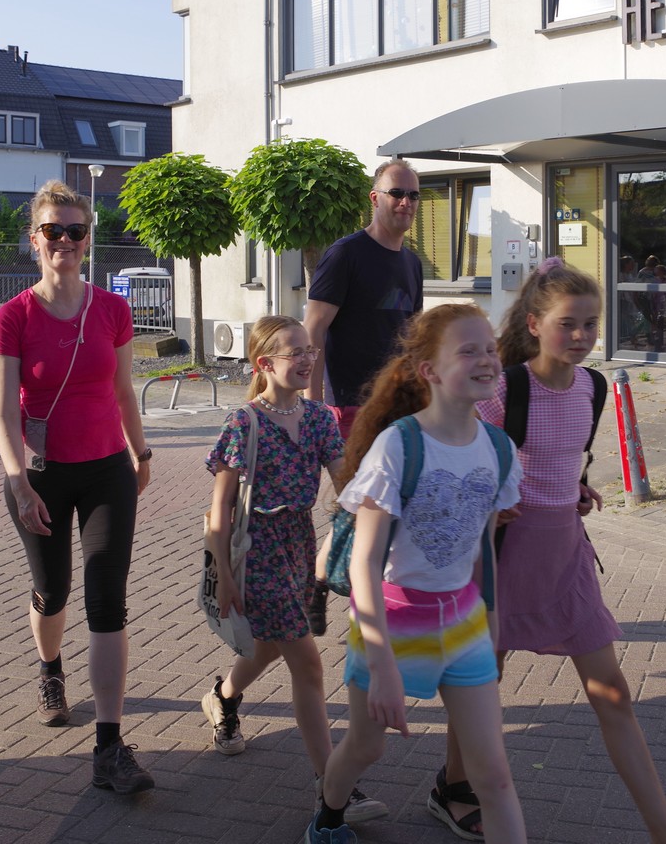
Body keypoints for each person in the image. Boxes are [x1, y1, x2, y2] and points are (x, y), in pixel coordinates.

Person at [436, 259, 666, 844]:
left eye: (591, 324)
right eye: (567, 323)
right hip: (501, 557)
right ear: (534, 323)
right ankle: (453, 788)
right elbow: (452, 453)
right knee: (483, 682)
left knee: (612, 693)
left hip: (565, 557)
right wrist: (489, 496)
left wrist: (573, 486)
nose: (581, 336)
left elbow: (558, 455)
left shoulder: (593, 387)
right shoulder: (503, 387)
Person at [307, 304, 525, 844]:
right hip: (394, 622)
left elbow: (484, 549)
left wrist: (493, 622)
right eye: (468, 350)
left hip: (465, 624)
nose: (486, 360)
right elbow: (364, 563)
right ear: (429, 370)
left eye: (490, 349)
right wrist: (382, 664)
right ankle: (328, 817)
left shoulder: (499, 449)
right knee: (367, 746)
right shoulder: (399, 446)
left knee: (495, 776)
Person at [0, 179, 155, 794]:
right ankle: (50, 668)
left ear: (87, 240)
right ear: (34, 239)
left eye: (75, 231)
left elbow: (122, 391)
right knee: (53, 591)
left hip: (107, 468)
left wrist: (141, 452)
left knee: (107, 601)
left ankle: (109, 748)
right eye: (52, 230)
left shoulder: (112, 309)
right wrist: (18, 484)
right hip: (40, 475)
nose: (64, 240)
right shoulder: (12, 316)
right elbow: (3, 414)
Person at [200, 315, 388, 825]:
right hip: (256, 548)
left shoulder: (320, 418)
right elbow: (220, 510)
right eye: (295, 352)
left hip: (298, 543)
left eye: (310, 350)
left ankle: (222, 698)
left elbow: (345, 481)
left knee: (267, 647)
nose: (308, 359)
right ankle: (333, 785)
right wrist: (224, 575)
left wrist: (381, 505)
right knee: (307, 664)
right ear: (265, 363)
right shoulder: (244, 422)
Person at [303, 157, 425, 633]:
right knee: (368, 511)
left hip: (398, 407)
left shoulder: (411, 263)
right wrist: (314, 407)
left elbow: (412, 337)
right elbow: (314, 330)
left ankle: (319, 577)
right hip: (350, 406)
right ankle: (373, 622)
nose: (406, 202)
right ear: (375, 198)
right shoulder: (346, 254)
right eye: (397, 193)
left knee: (373, 510)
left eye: (413, 195)